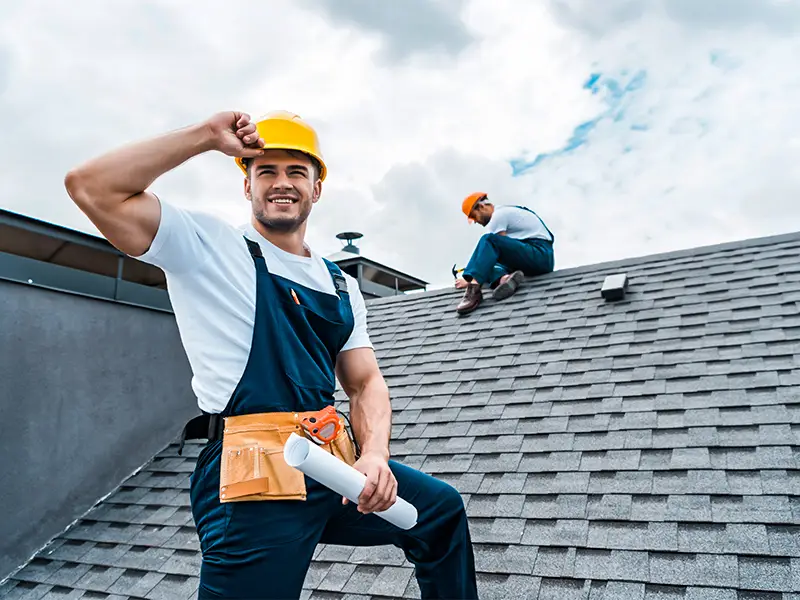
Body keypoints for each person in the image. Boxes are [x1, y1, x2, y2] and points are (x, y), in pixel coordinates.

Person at [64, 110, 478, 600]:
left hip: (329, 462)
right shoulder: (208, 246)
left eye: (296, 172)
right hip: (253, 477)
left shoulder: (339, 283)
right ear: (247, 185)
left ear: (316, 188)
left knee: (440, 512)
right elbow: (90, 186)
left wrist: (374, 456)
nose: (281, 183)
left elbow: (365, 382)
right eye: (267, 171)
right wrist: (203, 137)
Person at [456, 192, 555, 315]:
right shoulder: (505, 212)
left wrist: (470, 279)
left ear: (481, 207)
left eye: (473, 216)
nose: (475, 221)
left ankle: (474, 290)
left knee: (488, 240)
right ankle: (504, 279)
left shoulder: (498, 215)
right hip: (533, 257)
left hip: (540, 254)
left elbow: (491, 252)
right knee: (486, 263)